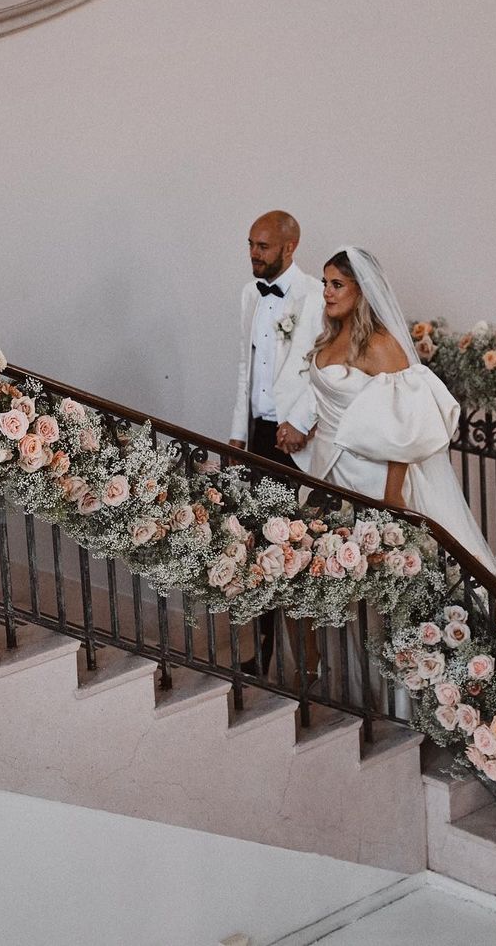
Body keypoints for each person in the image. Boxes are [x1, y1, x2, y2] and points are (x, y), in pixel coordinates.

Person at [303, 246, 496, 579]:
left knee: (377, 570)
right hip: (326, 466)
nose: (327, 292)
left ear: (362, 290)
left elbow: (405, 422)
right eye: (325, 283)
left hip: (371, 474)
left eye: (337, 284)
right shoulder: (330, 337)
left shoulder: (380, 344)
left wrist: (392, 494)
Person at [230, 210, 322, 671]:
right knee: (257, 540)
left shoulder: (314, 295)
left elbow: (321, 370)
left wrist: (300, 423)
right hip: (258, 433)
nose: (253, 253)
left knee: (292, 545)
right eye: (250, 244)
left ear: (290, 247)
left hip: (293, 439)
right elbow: (244, 368)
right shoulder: (250, 294)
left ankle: (307, 663)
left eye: (262, 246)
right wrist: (236, 433)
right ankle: (263, 653)